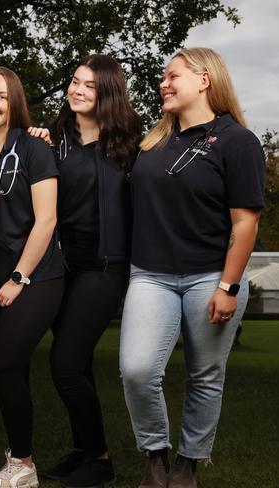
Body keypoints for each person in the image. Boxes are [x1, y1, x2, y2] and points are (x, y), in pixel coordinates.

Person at [119, 47, 265, 488]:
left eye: (173, 75)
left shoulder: (238, 141)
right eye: (163, 77)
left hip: (210, 276)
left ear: (204, 79)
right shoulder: (151, 142)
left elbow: (245, 223)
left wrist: (228, 286)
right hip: (150, 275)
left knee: (204, 374)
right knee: (138, 370)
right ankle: (155, 454)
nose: (163, 82)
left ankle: (187, 465)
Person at [30, 54, 142, 488]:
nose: (76, 90)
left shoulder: (130, 146)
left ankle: (101, 458)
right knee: (80, 365)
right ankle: (84, 450)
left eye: (88, 86)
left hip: (105, 266)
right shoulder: (53, 138)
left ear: (107, 94)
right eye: (74, 82)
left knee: (64, 365)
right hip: (63, 265)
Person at [0, 67, 64, 488]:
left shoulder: (36, 148)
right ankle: (23, 462)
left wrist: (19, 277)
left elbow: (48, 219)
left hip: (37, 273)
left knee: (3, 362)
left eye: (1, 96)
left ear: (14, 101)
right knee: (11, 368)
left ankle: (22, 462)